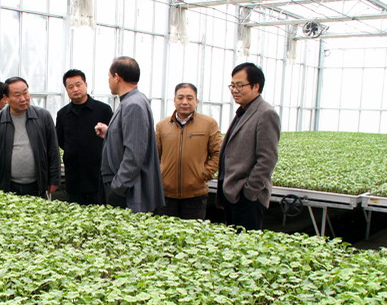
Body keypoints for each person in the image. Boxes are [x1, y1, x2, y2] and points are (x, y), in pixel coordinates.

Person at [0, 76, 60, 197]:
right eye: (17, 95)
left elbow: (53, 150)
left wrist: (54, 179)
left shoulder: (43, 116)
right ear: (6, 98)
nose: (23, 99)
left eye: (25, 93)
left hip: (37, 185)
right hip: (7, 185)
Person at [95, 56, 164, 213]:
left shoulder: (133, 104)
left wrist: (118, 187)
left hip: (130, 192)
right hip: (127, 188)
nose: (108, 81)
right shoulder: (131, 101)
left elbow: (134, 154)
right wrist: (109, 132)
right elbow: (133, 137)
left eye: (109, 76)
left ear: (117, 77)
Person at [217, 62, 280, 231]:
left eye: (240, 85)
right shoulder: (243, 111)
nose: (234, 90)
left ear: (256, 86)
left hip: (246, 198)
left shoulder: (266, 113)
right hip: (232, 194)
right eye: (232, 85)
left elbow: (267, 159)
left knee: (245, 242)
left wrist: (249, 192)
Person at [155, 83, 222, 220]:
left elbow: (218, 153)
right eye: (180, 98)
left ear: (196, 101)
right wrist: (161, 175)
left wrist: (204, 173)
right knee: (165, 230)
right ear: (174, 100)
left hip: (195, 195)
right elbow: (155, 155)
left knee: (193, 231)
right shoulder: (162, 126)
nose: (185, 102)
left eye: (189, 98)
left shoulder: (208, 124)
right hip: (166, 194)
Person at [56, 69, 113, 205]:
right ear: (66, 90)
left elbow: (113, 138)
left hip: (98, 173)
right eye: (70, 87)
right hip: (74, 175)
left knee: (99, 211)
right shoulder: (63, 114)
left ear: (86, 85)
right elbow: (60, 140)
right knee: (75, 211)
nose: (75, 89)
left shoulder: (103, 110)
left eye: (78, 84)